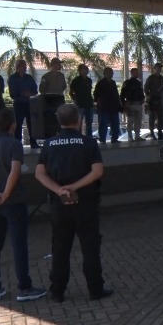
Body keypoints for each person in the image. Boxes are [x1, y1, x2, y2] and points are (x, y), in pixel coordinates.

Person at [35, 103, 112, 302]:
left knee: (60, 248)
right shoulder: (88, 143)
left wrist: (59, 190)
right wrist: (75, 187)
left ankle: (57, 291)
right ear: (79, 120)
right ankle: (95, 289)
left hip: (59, 205)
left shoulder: (49, 144)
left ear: (58, 121)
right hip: (86, 204)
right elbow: (97, 171)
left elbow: (39, 173)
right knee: (90, 247)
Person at [0, 108, 47, 302]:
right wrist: (6, 193)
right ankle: (24, 286)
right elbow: (15, 171)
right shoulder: (14, 144)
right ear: (13, 124)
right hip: (14, 201)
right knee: (19, 244)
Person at [7, 59, 39, 148]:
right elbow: (12, 93)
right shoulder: (13, 78)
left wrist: (30, 93)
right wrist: (22, 93)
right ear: (18, 67)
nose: (25, 67)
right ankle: (17, 144)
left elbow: (35, 90)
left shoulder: (29, 77)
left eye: (25, 66)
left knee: (31, 124)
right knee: (18, 124)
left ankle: (33, 142)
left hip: (29, 103)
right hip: (19, 104)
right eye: (23, 66)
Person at [93, 67, 121, 144]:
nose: (112, 74)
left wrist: (119, 105)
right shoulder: (101, 83)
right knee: (103, 124)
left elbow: (116, 95)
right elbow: (96, 94)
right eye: (110, 72)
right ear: (105, 73)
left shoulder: (113, 83)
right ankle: (102, 139)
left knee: (115, 124)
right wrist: (98, 104)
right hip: (104, 108)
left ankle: (114, 138)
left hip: (113, 107)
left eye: (112, 72)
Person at [120, 68, 145, 141]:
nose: (137, 74)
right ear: (132, 73)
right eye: (136, 72)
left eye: (138, 72)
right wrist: (124, 104)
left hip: (138, 104)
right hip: (130, 104)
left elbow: (141, 93)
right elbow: (122, 95)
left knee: (138, 120)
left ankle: (137, 136)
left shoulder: (139, 83)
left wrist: (142, 99)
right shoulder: (127, 83)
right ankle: (130, 136)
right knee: (130, 120)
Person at [69, 64, 94, 136]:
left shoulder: (89, 80)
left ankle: (89, 137)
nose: (85, 71)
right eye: (83, 69)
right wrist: (75, 100)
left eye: (86, 69)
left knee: (89, 122)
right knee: (79, 122)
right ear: (79, 71)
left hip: (89, 104)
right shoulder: (75, 80)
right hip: (80, 104)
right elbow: (71, 92)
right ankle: (79, 136)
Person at [144, 63, 163, 140]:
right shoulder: (151, 78)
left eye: (160, 68)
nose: (159, 69)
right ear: (154, 69)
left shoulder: (162, 78)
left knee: (160, 117)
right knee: (152, 117)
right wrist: (149, 95)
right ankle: (152, 132)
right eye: (158, 68)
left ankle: (160, 131)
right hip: (152, 100)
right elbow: (146, 88)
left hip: (160, 100)